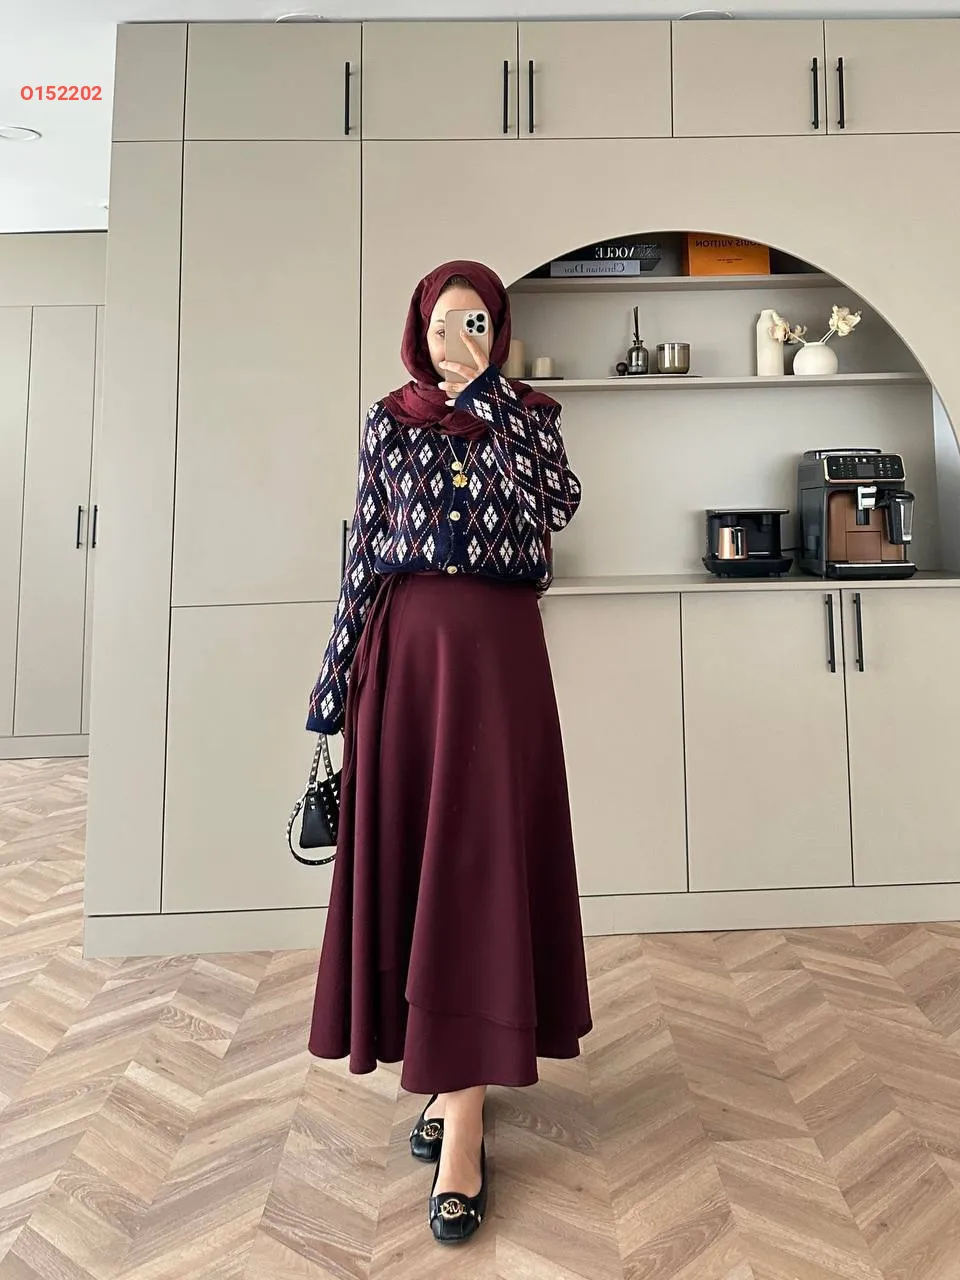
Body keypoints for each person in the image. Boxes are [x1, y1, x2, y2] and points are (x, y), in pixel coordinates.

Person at [304, 260, 592, 1245]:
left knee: (480, 870)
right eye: (441, 324)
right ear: (418, 331)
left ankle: (462, 1117)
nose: (455, 340)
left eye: (475, 324)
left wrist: (491, 403)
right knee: (426, 868)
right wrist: (332, 686)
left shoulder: (530, 419)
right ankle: (448, 1078)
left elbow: (557, 505)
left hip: (500, 667)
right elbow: (364, 552)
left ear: (498, 334)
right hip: (408, 663)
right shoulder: (389, 421)